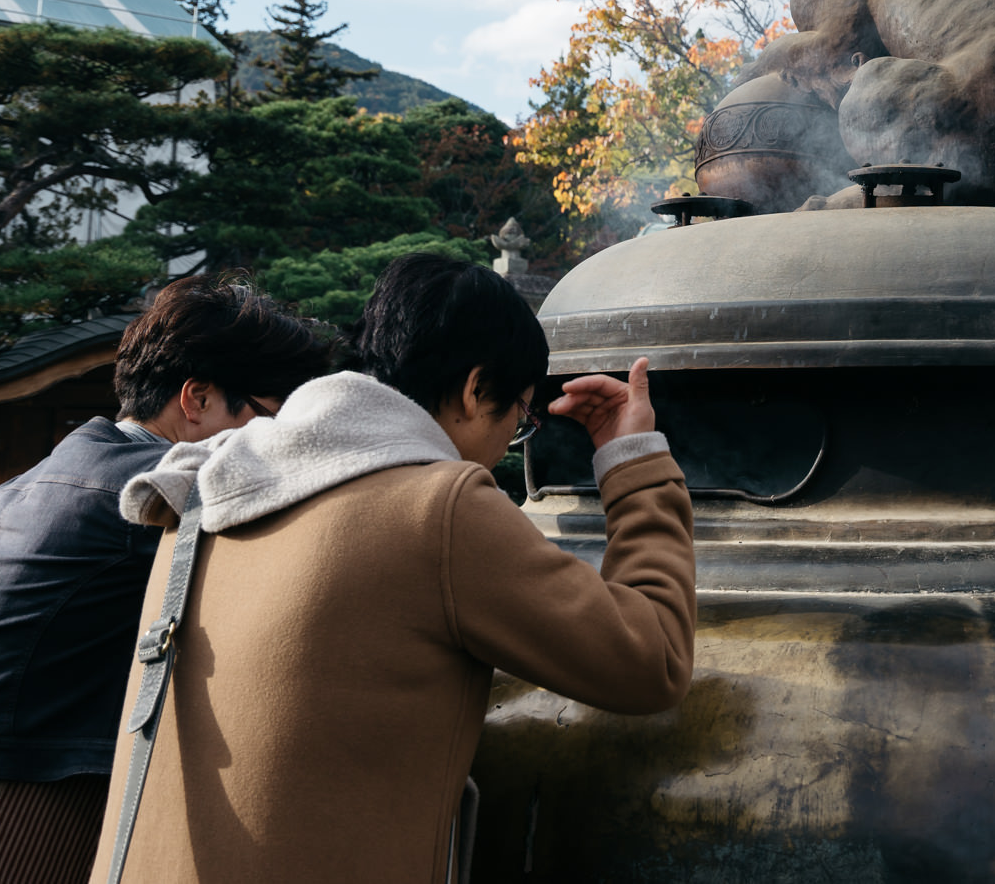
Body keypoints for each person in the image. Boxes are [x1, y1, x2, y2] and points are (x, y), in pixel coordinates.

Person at [90, 252, 697, 883]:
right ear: (474, 387)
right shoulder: (439, 506)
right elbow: (650, 660)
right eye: (519, 417)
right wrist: (634, 458)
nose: (508, 443)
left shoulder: (210, 484)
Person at [0, 277, 331, 884]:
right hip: (13, 807)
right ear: (198, 398)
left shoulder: (19, 490)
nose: (273, 445)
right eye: (267, 420)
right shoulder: (156, 495)